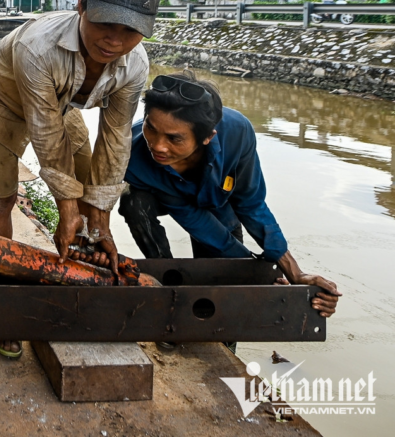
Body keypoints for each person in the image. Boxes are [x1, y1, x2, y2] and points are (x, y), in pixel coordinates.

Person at [0, 0, 157, 359]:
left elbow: (116, 136)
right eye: (105, 24)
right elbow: (45, 135)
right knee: (1, 197)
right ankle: (0, 300)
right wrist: (66, 206)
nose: (114, 40)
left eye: (130, 31)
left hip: (59, 101)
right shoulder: (37, 46)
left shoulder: (136, 64)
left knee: (92, 182)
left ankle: (84, 280)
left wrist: (100, 217)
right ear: (81, 6)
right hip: (3, 97)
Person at [118, 72, 340, 320]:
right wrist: (254, 272)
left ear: (207, 137)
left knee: (226, 294)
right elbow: (192, 217)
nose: (158, 146)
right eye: (151, 127)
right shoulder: (133, 154)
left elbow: (250, 201)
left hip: (221, 201)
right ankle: (165, 279)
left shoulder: (237, 132)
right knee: (133, 201)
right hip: (166, 199)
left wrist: (287, 271)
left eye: (174, 138)